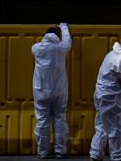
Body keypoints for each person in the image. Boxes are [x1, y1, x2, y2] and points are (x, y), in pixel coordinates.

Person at [32, 23, 72, 159]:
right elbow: (67, 40)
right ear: (57, 36)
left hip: (41, 90)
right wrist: (64, 27)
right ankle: (60, 151)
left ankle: (42, 152)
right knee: (60, 119)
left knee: (42, 121)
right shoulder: (61, 48)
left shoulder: (36, 48)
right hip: (59, 91)